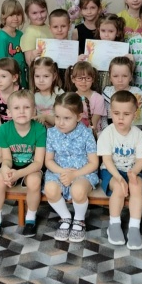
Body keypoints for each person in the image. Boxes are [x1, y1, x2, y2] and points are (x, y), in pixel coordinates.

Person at [0, 90, 47, 239]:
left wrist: (19, 174)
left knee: (34, 181)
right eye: (16, 108)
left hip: (32, 167)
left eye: (26, 107)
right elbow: (7, 159)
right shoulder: (4, 129)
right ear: (9, 112)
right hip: (12, 165)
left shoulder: (39, 129)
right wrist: (5, 168)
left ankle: (30, 219)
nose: (21, 111)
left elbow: (38, 162)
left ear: (34, 111)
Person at [44, 92, 99, 242]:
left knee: (78, 190)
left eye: (67, 118)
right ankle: (66, 217)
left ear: (79, 117)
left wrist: (74, 175)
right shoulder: (51, 133)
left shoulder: (86, 134)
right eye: (57, 117)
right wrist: (63, 172)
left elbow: (94, 163)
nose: (60, 122)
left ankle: (79, 220)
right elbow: (48, 160)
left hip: (83, 172)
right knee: (50, 189)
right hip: (58, 171)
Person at [97, 91, 142, 250]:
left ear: (134, 115)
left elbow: (141, 160)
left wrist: (133, 173)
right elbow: (106, 160)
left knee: (136, 186)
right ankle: (114, 224)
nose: (120, 118)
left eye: (126, 114)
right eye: (116, 113)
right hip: (111, 171)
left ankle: (134, 227)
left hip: (132, 170)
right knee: (119, 187)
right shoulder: (107, 133)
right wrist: (118, 177)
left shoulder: (138, 135)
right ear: (110, 112)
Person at [0, 57, 21, 197]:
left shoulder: (21, 93)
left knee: (9, 151)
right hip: (1, 130)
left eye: (3, 76)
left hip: (19, 130)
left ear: (14, 77)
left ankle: (10, 178)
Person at [64, 62, 105, 137]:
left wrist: (85, 137)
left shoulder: (99, 98)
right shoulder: (71, 98)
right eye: (80, 78)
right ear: (73, 79)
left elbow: (94, 122)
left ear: (93, 79)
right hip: (74, 132)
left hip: (93, 133)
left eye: (88, 78)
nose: (84, 81)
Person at [0, 0, 27, 89]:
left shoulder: (20, 35)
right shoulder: (1, 38)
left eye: (18, 14)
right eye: (11, 15)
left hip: (22, 77)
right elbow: (1, 64)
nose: (15, 18)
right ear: (3, 16)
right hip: (9, 81)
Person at [92, 13, 129, 89]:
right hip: (96, 82)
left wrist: (130, 60)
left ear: (118, 32)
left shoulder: (122, 48)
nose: (106, 35)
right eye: (103, 31)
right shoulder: (93, 47)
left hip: (115, 83)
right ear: (98, 30)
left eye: (111, 31)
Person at [102, 57, 141, 127]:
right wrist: (107, 131)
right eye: (115, 76)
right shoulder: (107, 92)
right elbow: (103, 117)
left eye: (124, 76)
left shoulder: (137, 93)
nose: (120, 80)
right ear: (110, 77)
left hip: (132, 130)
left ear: (131, 77)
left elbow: (140, 119)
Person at [30, 57, 64, 127]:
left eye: (46, 76)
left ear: (54, 76)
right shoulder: (32, 95)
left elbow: (64, 118)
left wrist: (45, 117)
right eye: (37, 76)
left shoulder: (59, 93)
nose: (41, 80)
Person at [21, 0, 52, 66]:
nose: (40, 16)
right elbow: (29, 62)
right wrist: (32, 56)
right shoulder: (29, 34)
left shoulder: (49, 27)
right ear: (27, 14)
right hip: (40, 71)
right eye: (34, 13)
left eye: (42, 11)